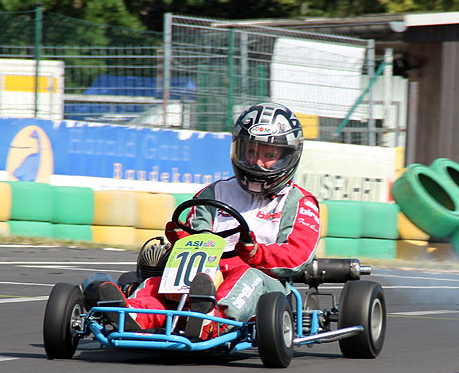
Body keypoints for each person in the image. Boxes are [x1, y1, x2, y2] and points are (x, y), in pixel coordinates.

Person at [96, 102, 322, 339]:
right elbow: (198, 235)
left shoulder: (299, 202)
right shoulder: (214, 194)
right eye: (252, 152)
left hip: (264, 282)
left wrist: (256, 253)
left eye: (269, 155)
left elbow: (298, 256)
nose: (257, 162)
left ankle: (213, 322)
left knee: (247, 278)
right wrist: (183, 240)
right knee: (160, 282)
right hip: (204, 274)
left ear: (288, 156)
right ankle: (131, 314)